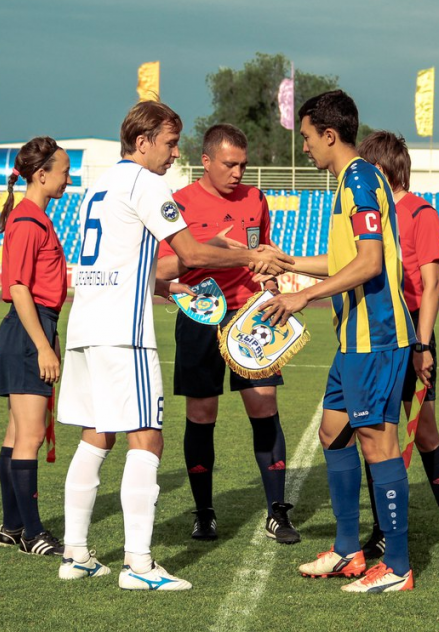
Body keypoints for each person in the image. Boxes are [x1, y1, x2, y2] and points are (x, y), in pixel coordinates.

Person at [56, 100, 294, 591]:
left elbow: (125, 263)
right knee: (148, 438)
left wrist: (166, 288)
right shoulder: (148, 183)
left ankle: (76, 553)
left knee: (95, 436)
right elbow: (187, 252)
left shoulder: (95, 187)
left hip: (85, 326)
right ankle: (139, 566)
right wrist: (249, 253)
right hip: (124, 334)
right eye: (167, 143)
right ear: (142, 142)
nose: (172, 154)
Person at [260, 90, 415, 592]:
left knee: (379, 443)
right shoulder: (349, 182)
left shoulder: (361, 180)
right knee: (333, 430)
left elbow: (370, 264)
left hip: (378, 337)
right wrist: (289, 263)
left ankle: (397, 567)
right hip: (354, 340)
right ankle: (349, 551)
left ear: (330, 135)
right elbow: (346, 260)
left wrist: (306, 297)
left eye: (306, 137)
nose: (304, 147)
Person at [156, 124, 300, 544]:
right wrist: (206, 255)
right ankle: (204, 513)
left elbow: (263, 252)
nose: (238, 172)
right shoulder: (178, 202)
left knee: (264, 405)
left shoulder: (256, 199)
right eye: (229, 164)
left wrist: (272, 293)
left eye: (242, 164)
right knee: (202, 415)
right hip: (200, 316)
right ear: (206, 161)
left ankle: (277, 511)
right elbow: (161, 269)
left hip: (249, 315)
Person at [358, 131, 439, 560]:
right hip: (377, 334)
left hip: (413, 332)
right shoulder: (373, 214)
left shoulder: (420, 213)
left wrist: (422, 345)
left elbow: (430, 286)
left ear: (383, 168)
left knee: (425, 432)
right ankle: (380, 530)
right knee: (375, 431)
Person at [0, 136, 71, 557]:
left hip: (29, 329)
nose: (68, 179)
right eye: (63, 171)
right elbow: (20, 287)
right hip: (30, 330)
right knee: (29, 438)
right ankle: (32, 533)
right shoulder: (27, 221)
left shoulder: (31, 218)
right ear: (41, 175)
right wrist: (43, 347)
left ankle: (12, 525)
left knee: (16, 435)